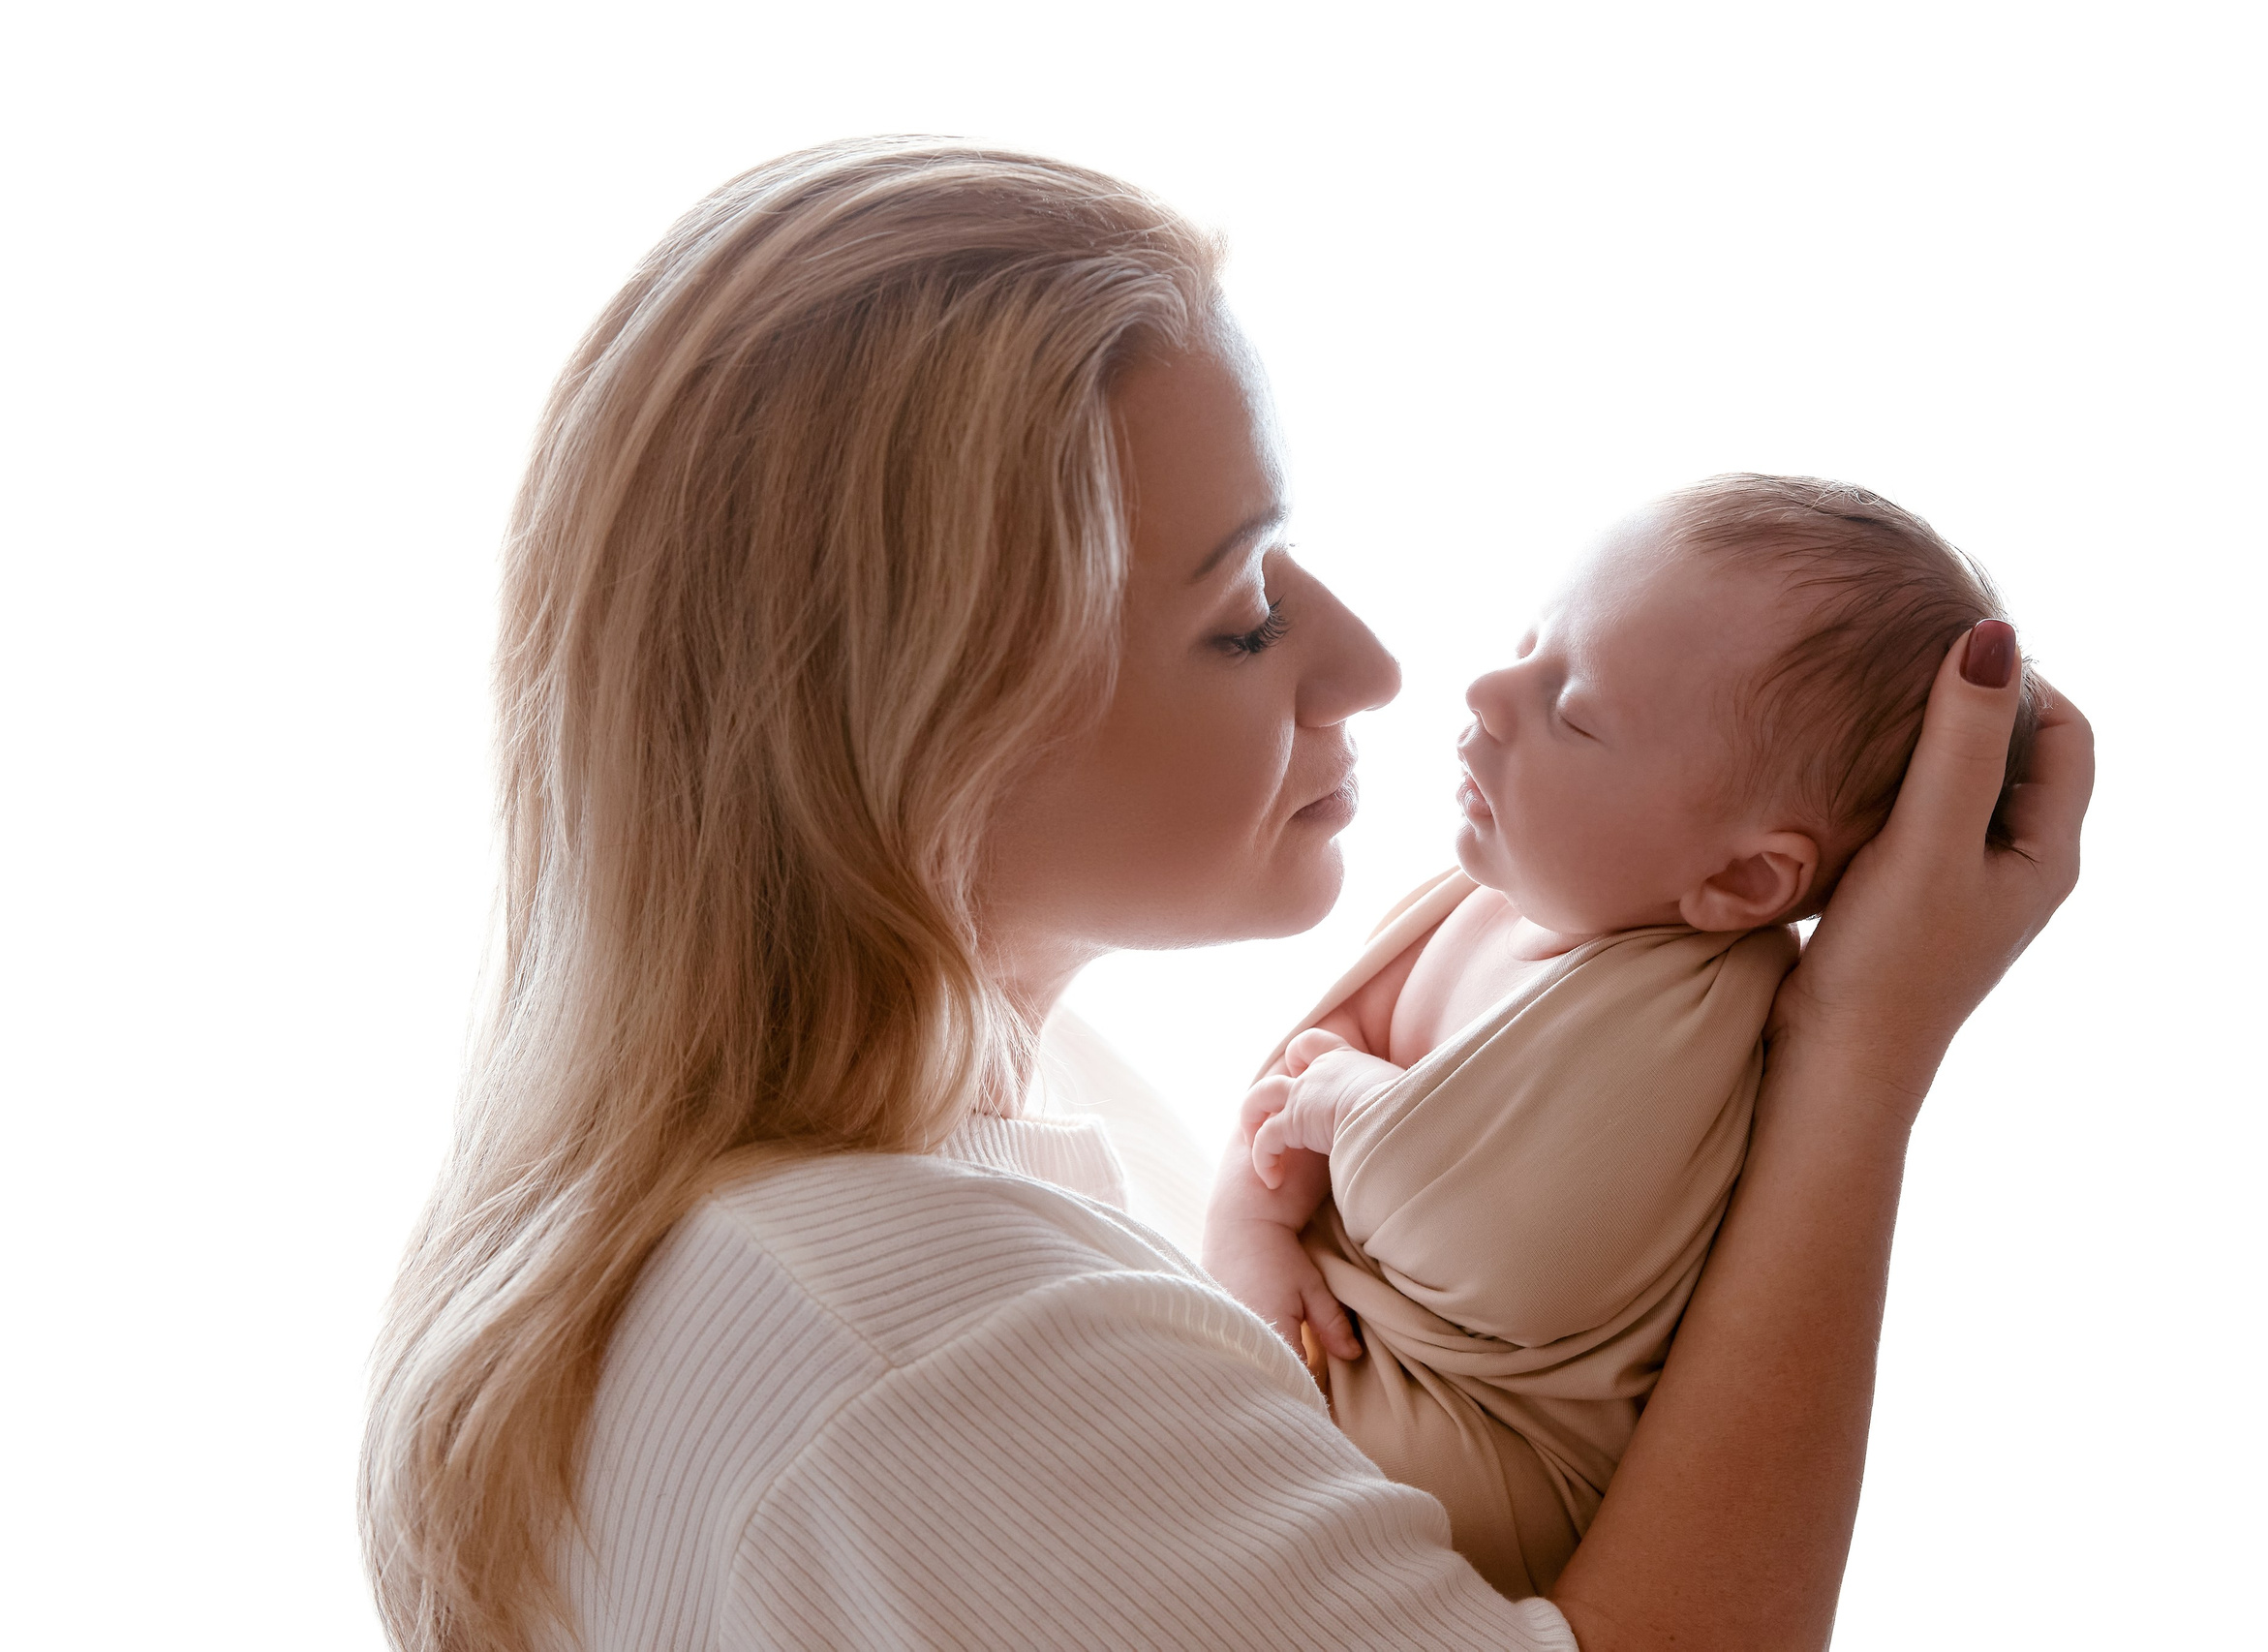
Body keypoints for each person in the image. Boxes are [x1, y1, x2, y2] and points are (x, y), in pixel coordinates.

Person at [359, 138, 2094, 1652]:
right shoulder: (928, 1346)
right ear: (932, 727)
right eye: (1244, 612)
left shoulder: (971, 1162)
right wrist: (1857, 1059)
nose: (1376, 664)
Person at [1208, 475, 2044, 1599]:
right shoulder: (1496, 890)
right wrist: (1253, 1215)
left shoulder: (1691, 1006)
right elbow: (1303, 1057)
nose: (1486, 690)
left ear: (1744, 878)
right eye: (1528, 646)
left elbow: (1494, 1245)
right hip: (1341, 1352)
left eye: (1572, 709)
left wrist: (1344, 1100)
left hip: (1485, 1465)